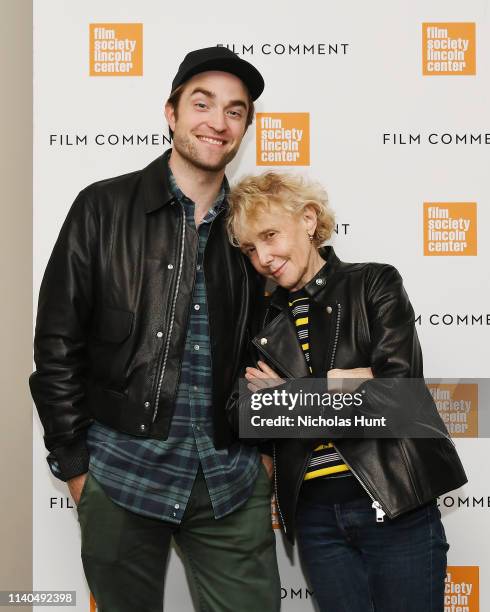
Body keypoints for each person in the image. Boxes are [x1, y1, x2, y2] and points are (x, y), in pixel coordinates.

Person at [30, 47, 281, 612]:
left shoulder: (254, 230)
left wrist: (263, 455)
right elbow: (57, 345)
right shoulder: (101, 208)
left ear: (245, 128)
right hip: (121, 476)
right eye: (202, 103)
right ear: (171, 113)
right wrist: (76, 467)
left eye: (235, 111)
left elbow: (274, 349)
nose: (218, 122)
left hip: (229, 481)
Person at [226, 171, 467, 612]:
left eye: (269, 235)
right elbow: (244, 415)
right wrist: (344, 383)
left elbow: (397, 397)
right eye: (249, 248)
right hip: (315, 519)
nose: (262, 257)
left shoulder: (373, 284)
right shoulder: (259, 321)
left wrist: (290, 393)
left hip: (394, 501)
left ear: (309, 219)